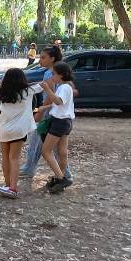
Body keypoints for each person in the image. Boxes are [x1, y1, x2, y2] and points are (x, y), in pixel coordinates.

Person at [19, 46, 75, 180]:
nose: (40, 61)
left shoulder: (51, 74)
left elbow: (51, 96)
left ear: (52, 58)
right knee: (46, 144)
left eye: (43, 58)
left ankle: (62, 175)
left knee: (44, 144)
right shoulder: (55, 72)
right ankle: (60, 174)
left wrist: (40, 111)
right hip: (55, 114)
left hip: (52, 114)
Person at [0, 68, 43, 198]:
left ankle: (7, 185)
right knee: (15, 158)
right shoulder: (28, 91)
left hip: (4, 130)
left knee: (5, 157)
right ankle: (13, 187)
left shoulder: (0, 95)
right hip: (20, 130)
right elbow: (43, 86)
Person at [40, 62, 75, 194]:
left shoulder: (65, 87)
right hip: (65, 122)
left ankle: (61, 179)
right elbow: (62, 104)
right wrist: (46, 107)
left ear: (60, 75)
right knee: (62, 152)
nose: (52, 76)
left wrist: (47, 89)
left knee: (46, 151)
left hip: (60, 122)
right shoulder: (64, 87)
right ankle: (60, 176)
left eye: (54, 74)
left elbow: (59, 101)